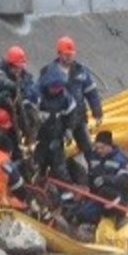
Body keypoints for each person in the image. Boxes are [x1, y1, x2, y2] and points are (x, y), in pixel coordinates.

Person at [39, 36, 103, 164]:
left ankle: (94, 170)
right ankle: (57, 172)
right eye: (66, 54)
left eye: (71, 54)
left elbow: (91, 91)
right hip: (58, 118)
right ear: (59, 54)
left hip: (78, 117)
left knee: (87, 146)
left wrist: (97, 111)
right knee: (56, 148)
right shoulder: (49, 71)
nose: (69, 57)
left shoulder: (80, 71)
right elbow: (40, 92)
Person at [73, 130, 128, 225]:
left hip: (116, 194)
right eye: (97, 148)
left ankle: (119, 216)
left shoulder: (121, 159)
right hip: (97, 193)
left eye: (102, 148)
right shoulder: (94, 156)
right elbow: (91, 175)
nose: (99, 151)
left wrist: (106, 179)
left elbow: (125, 181)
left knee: (104, 195)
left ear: (109, 146)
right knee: (80, 213)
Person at [32, 66, 77, 185]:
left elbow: (71, 114)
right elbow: (27, 110)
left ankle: (64, 194)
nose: (56, 90)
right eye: (54, 87)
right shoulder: (36, 94)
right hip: (38, 138)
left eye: (59, 87)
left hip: (56, 137)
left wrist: (69, 129)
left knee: (59, 167)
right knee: (35, 165)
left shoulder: (65, 98)